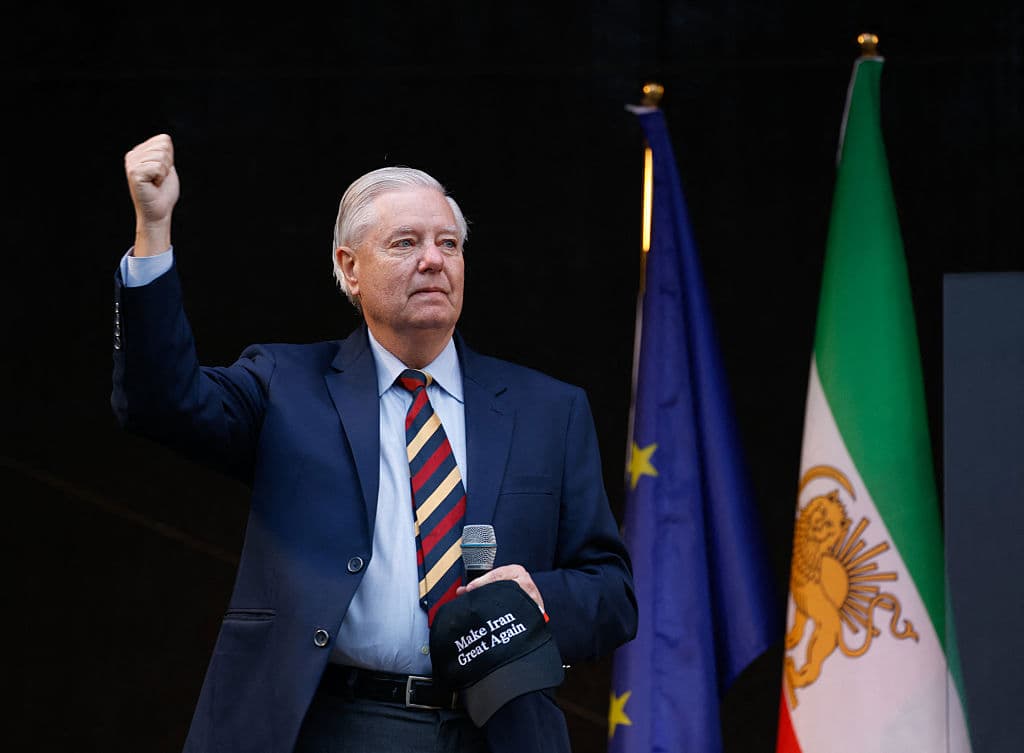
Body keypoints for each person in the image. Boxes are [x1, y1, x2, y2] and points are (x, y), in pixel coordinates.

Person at [112, 133, 637, 753]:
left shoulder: (550, 410)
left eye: (449, 244)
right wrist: (154, 231)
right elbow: (159, 403)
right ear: (348, 268)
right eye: (405, 243)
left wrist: (538, 598)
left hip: (496, 732)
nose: (434, 260)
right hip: (329, 724)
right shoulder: (287, 386)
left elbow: (613, 593)